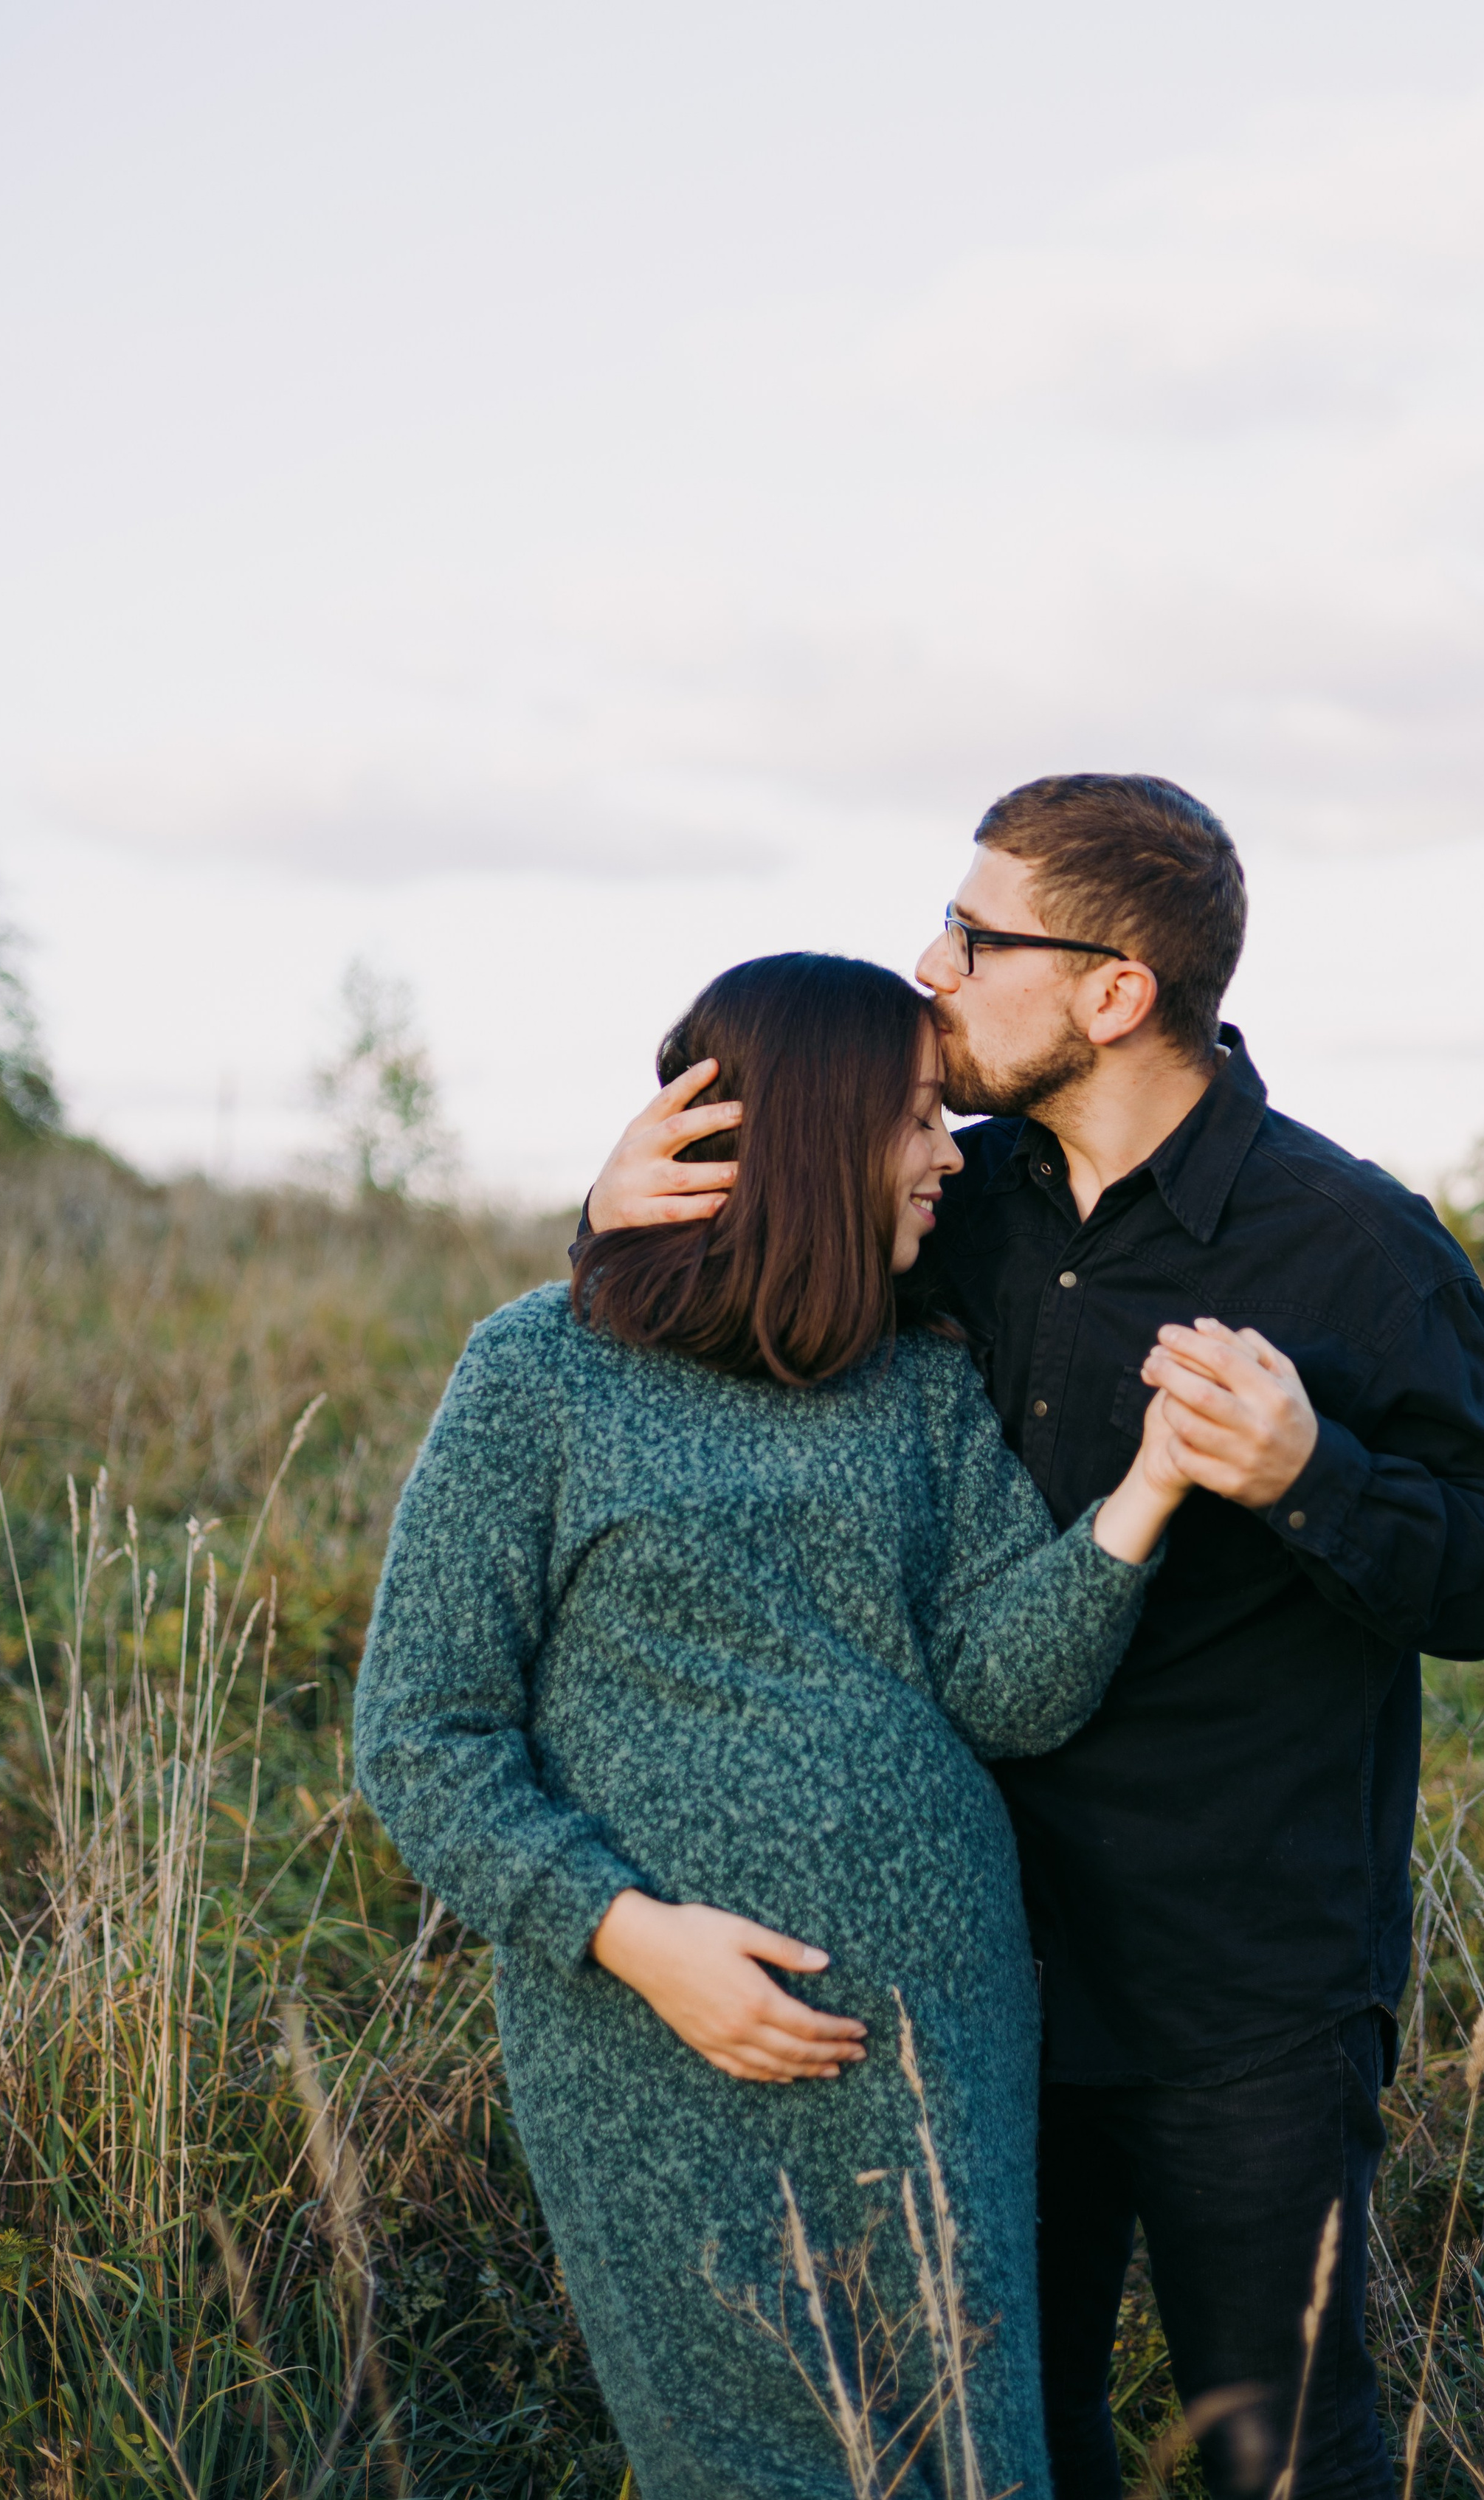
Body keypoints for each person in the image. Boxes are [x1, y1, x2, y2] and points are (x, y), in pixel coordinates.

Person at [578, 776, 1484, 2499]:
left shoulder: (1350, 1245)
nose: (928, 966)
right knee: (991, 2445)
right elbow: (705, 1347)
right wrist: (609, 1221)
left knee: (1279, 2449)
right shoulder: (943, 1197)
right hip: (953, 1969)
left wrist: (1305, 1472)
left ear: (1114, 989)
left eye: (971, 935)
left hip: (1236, 1986)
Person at [355, 951, 1214, 2500]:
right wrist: (628, 1933)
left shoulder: (917, 1386)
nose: (946, 1149)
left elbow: (1001, 1694)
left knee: (970, 2458)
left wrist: (1140, 1498)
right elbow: (422, 1733)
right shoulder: (540, 1372)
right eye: (907, 1118)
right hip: (655, 2031)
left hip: (938, 2024)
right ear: (813, 1136)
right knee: (749, 2460)